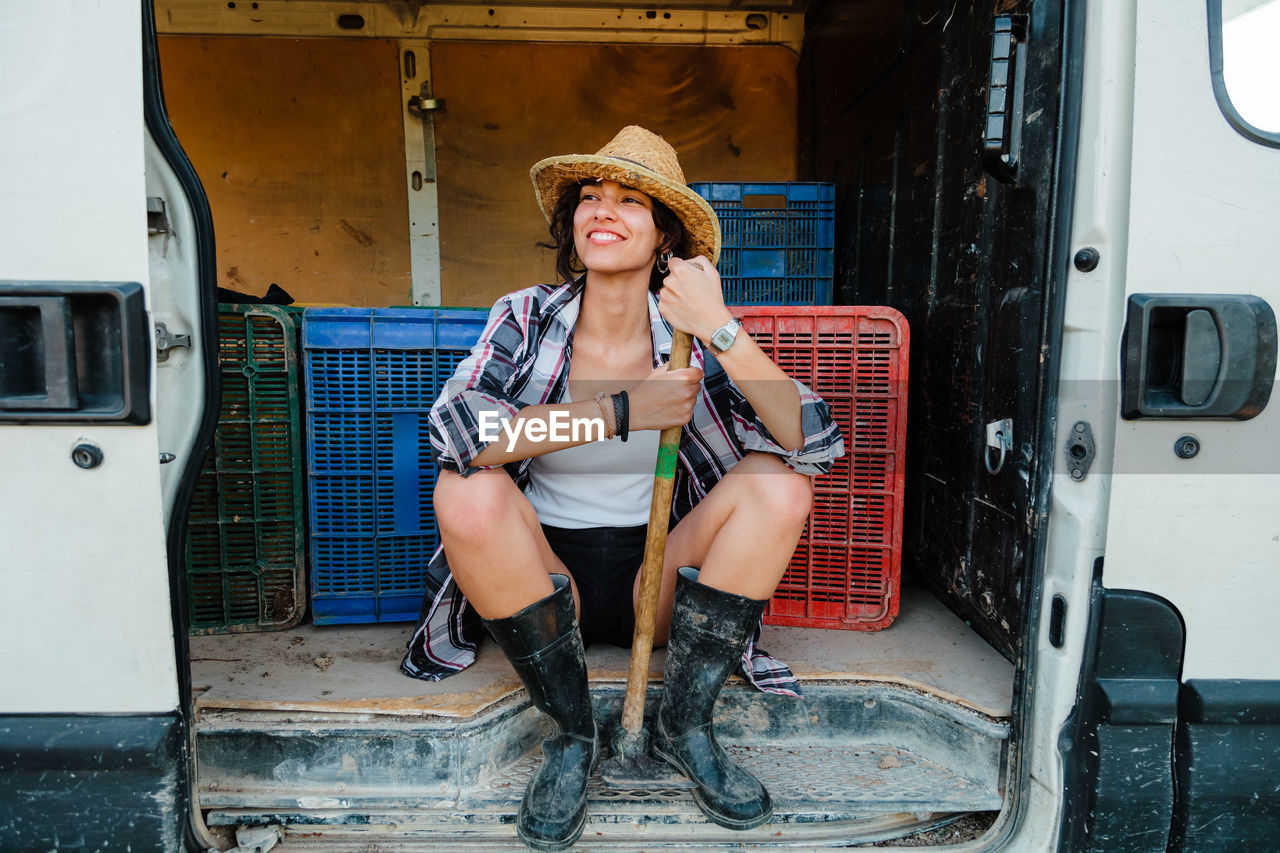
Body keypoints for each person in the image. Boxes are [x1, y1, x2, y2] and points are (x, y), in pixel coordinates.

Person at [400, 126, 844, 851]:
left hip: (659, 576)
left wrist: (723, 328)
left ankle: (683, 725)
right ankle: (572, 735)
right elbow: (458, 434)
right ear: (571, 225)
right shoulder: (527, 316)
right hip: (547, 581)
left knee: (780, 488)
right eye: (590, 197)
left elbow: (814, 444)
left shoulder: (692, 337)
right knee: (465, 491)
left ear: (664, 234)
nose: (603, 210)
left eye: (630, 199)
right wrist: (622, 411)